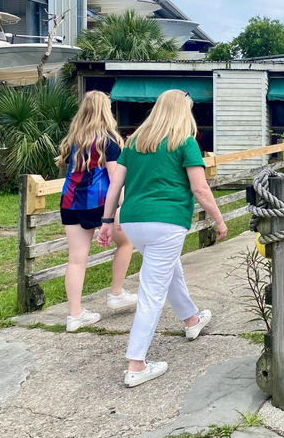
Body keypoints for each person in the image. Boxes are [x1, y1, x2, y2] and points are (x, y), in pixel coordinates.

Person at [97, 89, 227, 388]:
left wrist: (106, 222)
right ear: (184, 112)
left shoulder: (134, 143)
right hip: (166, 222)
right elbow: (201, 189)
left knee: (169, 272)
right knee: (152, 292)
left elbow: (115, 184)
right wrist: (219, 221)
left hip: (133, 222)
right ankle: (136, 364)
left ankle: (191, 320)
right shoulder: (186, 143)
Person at [55, 91, 137, 332]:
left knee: (76, 260)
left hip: (70, 203)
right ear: (105, 110)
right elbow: (115, 179)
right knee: (126, 243)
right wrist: (119, 210)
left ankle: (75, 315)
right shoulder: (109, 141)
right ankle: (116, 293)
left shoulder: (73, 139)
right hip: (101, 204)